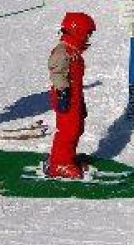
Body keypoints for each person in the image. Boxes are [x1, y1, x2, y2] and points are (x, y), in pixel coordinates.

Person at [47, 12, 96, 179]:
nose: (88, 38)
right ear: (77, 31)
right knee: (68, 130)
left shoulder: (73, 51)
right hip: (65, 96)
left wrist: (81, 102)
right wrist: (63, 91)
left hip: (75, 96)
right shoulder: (63, 51)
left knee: (77, 128)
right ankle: (59, 163)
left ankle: (68, 156)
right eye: (87, 34)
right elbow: (56, 72)